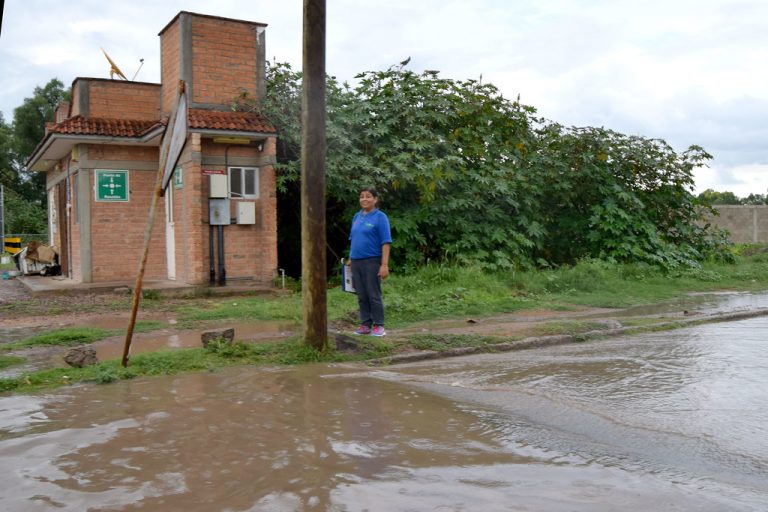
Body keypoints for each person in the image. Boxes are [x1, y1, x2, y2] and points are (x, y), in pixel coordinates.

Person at [347, 187, 392, 336]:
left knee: (373, 294)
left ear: (375, 199)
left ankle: (379, 325)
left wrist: (384, 265)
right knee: (361, 294)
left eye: (368, 196)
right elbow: (353, 239)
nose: (364, 199)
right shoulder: (356, 217)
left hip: (372, 261)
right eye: (361, 197)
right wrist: (350, 257)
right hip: (356, 261)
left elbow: (386, 242)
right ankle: (365, 324)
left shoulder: (380, 217)